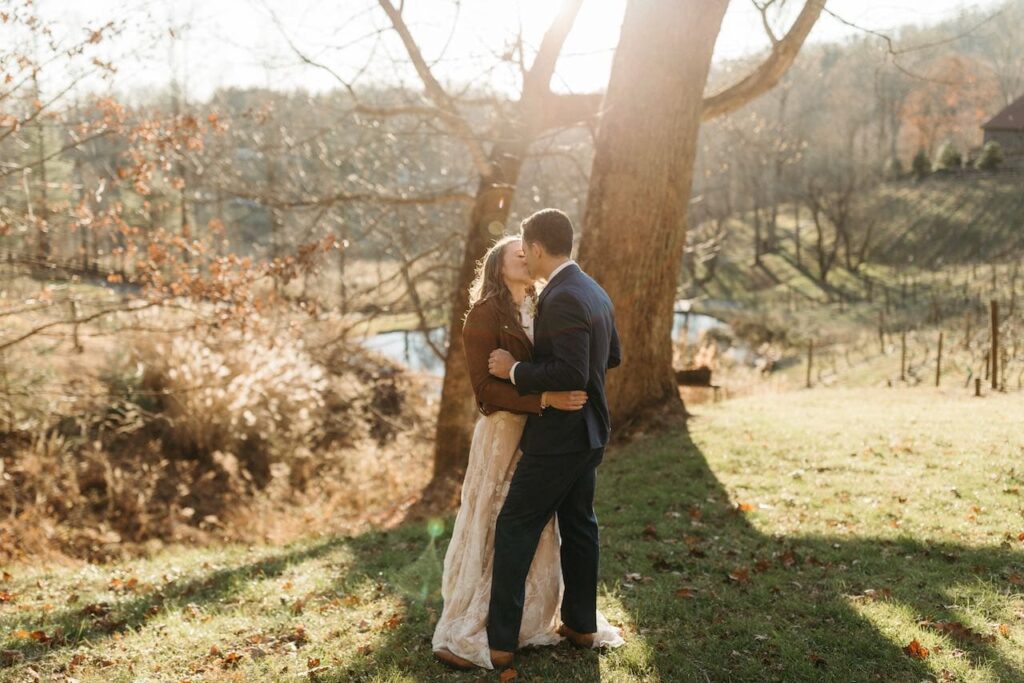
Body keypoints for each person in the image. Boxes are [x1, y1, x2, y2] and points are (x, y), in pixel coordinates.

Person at [432, 221, 623, 670]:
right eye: (512, 253)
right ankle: (568, 624)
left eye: (526, 250)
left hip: (556, 433)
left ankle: (507, 639)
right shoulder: (489, 313)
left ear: (539, 250)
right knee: (568, 524)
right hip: (520, 432)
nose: (522, 256)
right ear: (497, 268)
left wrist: (522, 373)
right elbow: (484, 388)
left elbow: (579, 366)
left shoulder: (554, 299)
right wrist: (543, 393)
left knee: (524, 527)